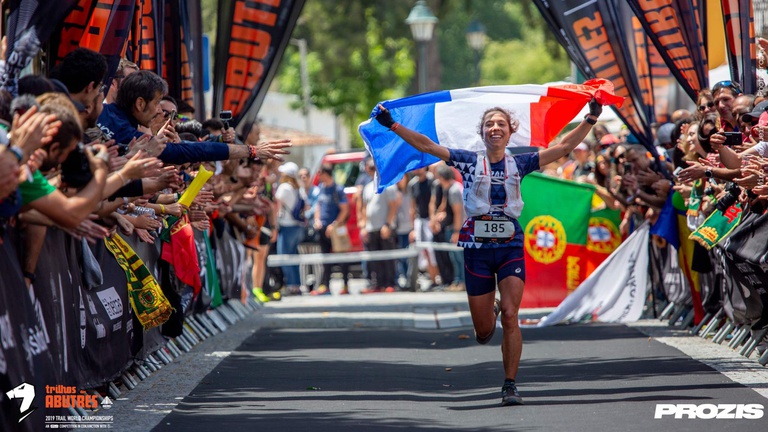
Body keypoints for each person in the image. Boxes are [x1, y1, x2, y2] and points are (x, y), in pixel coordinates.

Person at [373, 98, 603, 406]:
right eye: (489, 125)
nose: (495, 129)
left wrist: (590, 118)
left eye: (501, 125)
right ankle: (488, 312)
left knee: (511, 315)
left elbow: (561, 149)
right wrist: (393, 125)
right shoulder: (468, 160)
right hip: (477, 248)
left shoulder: (520, 162)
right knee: (483, 332)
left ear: (510, 133)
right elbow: (427, 146)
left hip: (509, 245)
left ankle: (510, 384)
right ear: (482, 133)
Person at [311, 163, 350, 295]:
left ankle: (345, 286)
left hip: (335, 229)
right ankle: (325, 286)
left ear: (325, 174)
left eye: (319, 173)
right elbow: (318, 207)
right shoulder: (321, 188)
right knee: (325, 258)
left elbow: (344, 210)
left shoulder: (337, 189)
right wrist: (317, 220)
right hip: (322, 229)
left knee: (342, 258)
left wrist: (333, 225)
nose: (318, 176)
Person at [274, 161, 305, 295]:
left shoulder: (284, 188)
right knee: (293, 256)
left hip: (287, 226)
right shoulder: (299, 188)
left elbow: (277, 206)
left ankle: (291, 285)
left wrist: (274, 224)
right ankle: (297, 284)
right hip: (297, 226)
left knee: (285, 256)